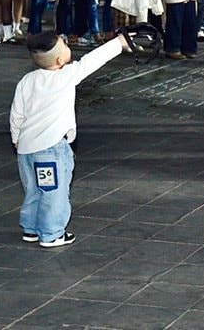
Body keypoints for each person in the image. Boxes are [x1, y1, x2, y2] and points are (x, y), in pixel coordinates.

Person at [10, 29, 132, 247]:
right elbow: (91, 61)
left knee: (33, 189)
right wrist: (118, 43)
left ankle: (30, 228)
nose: (69, 48)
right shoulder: (64, 77)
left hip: (26, 150)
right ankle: (51, 233)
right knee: (53, 192)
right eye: (65, 46)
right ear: (59, 59)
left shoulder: (27, 81)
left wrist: (16, 137)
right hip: (51, 150)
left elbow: (16, 113)